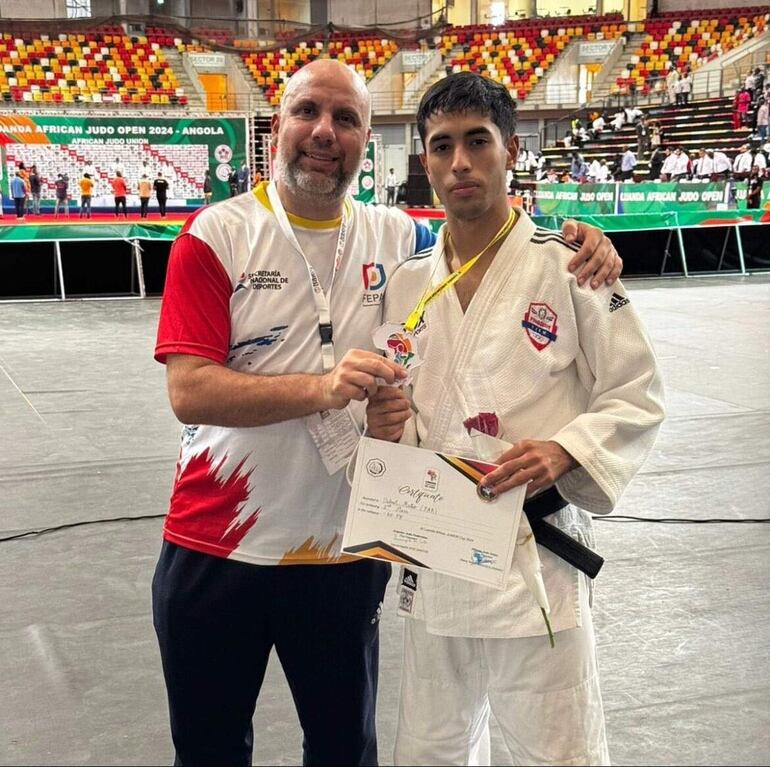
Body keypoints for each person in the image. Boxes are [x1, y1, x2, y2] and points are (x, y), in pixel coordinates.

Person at [151, 58, 622, 767]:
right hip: (217, 546)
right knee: (210, 751)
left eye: (346, 120)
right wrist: (323, 387)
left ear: (367, 140)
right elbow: (188, 390)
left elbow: (491, 253)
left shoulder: (399, 239)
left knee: (347, 750)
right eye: (307, 111)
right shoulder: (216, 234)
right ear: (276, 124)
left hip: (344, 549)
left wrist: (580, 244)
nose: (323, 132)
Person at [364, 70, 665, 767]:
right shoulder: (408, 282)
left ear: (512, 151)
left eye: (478, 142)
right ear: (426, 161)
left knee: (558, 751)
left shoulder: (571, 267)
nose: (459, 163)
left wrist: (565, 448)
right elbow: (399, 419)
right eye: (442, 147)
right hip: (437, 555)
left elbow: (637, 390)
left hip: (536, 561)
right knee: (430, 750)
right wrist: (386, 427)